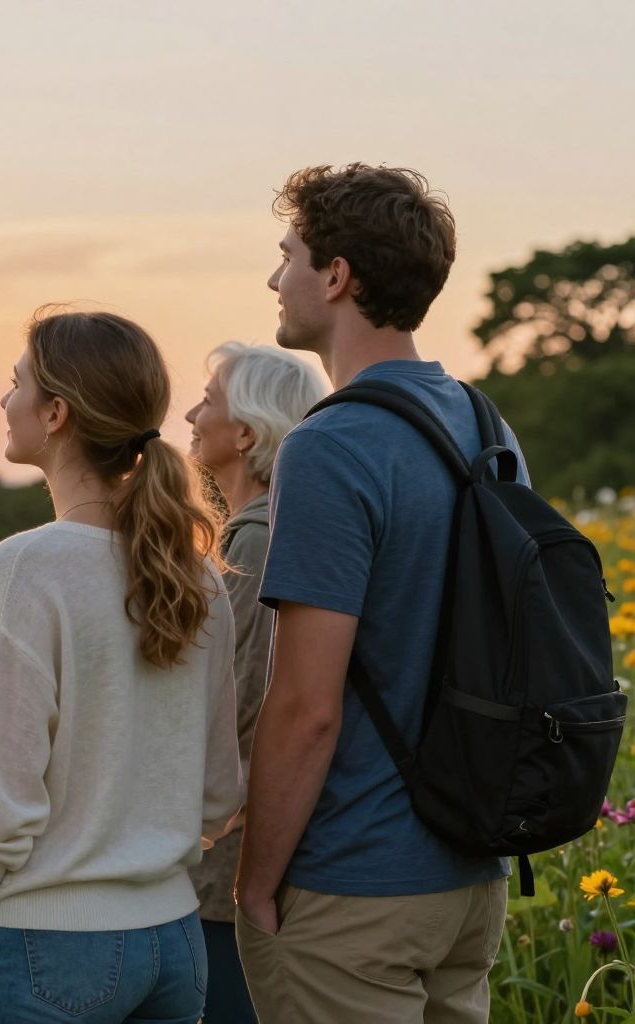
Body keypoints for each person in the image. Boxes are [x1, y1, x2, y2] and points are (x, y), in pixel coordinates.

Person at [235, 164, 521, 1023]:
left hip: (354, 886)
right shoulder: (483, 422)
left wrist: (254, 882)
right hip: (471, 875)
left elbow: (306, 706)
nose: (275, 278)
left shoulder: (330, 446)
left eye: (287, 255)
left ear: (336, 275)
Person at [0, 308, 243, 1024]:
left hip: (50, 953)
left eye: (16, 384)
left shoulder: (27, 567)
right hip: (175, 945)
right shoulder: (199, 577)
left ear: (56, 412)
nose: (5, 402)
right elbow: (221, 793)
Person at [184, 341, 327, 1022]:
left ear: (245, 433)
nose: (190, 412)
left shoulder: (256, 542)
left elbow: (241, 712)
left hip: (234, 867)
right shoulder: (274, 528)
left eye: (207, 401)